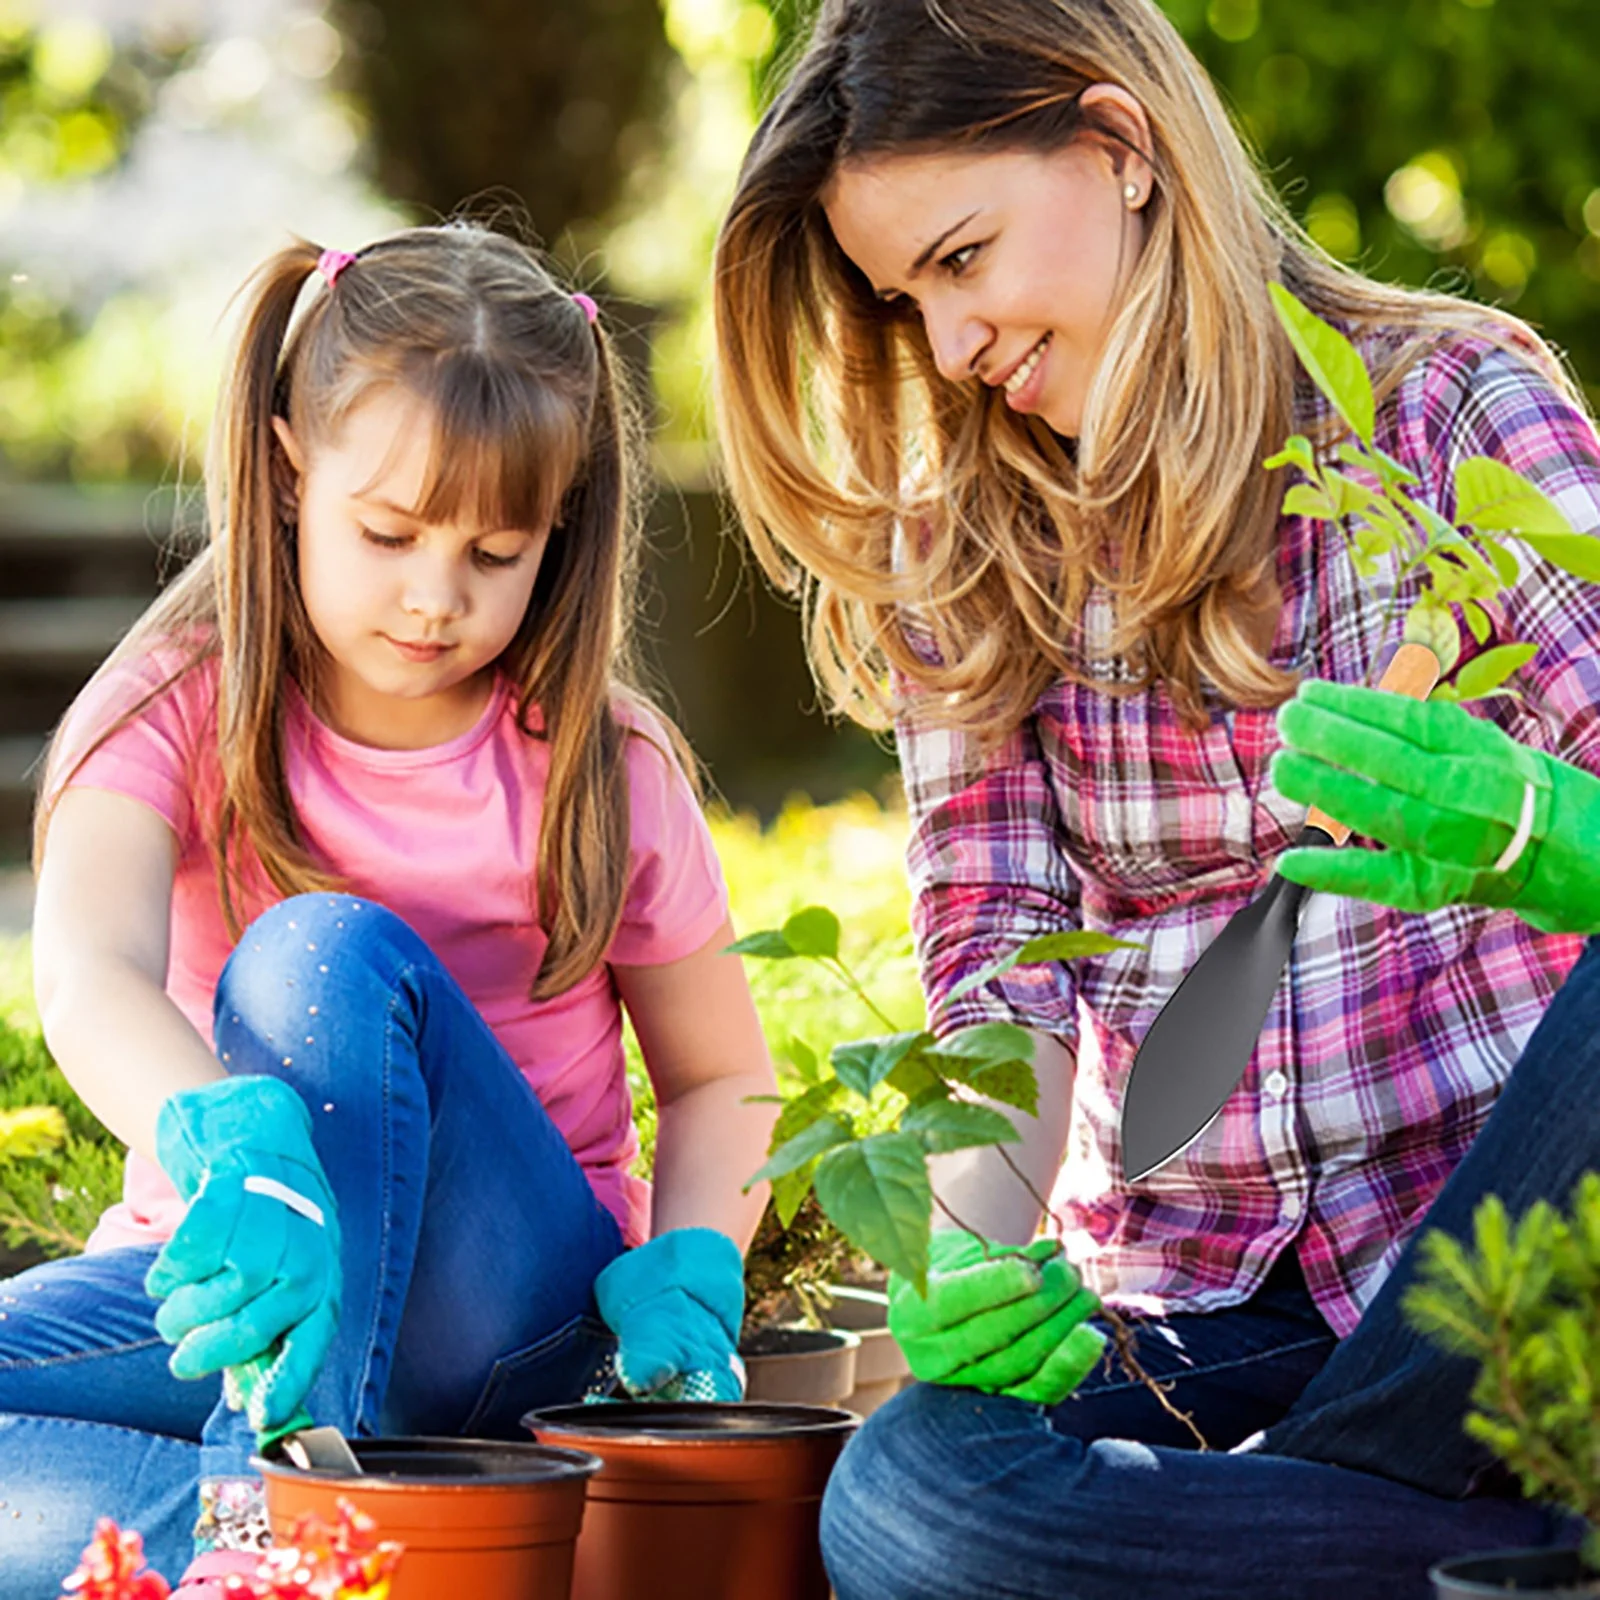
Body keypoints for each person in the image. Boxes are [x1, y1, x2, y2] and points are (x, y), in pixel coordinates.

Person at [710, 0, 1600, 1594]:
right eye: (905, 302)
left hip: (1506, 1274)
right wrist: (974, 1259)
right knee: (909, 1495)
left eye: (964, 258)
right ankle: (1497, 1552)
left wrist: (1540, 831)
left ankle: (1306, 1538)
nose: (953, 345)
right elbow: (1002, 978)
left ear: (1121, 149)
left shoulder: (1449, 414)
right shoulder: (967, 563)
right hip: (1211, 1308)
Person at [9, 223, 777, 1595]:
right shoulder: (171, 711)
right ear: (291, 470)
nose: (437, 595)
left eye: (496, 549)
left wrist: (695, 1263)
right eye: (390, 532)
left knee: (319, 950)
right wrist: (224, 1149)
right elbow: (87, 968)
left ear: (562, 530)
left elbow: (723, 1074)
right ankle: (291, 1545)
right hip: (255, 1296)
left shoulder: (601, 763)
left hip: (510, 1314)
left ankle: (276, 1513)